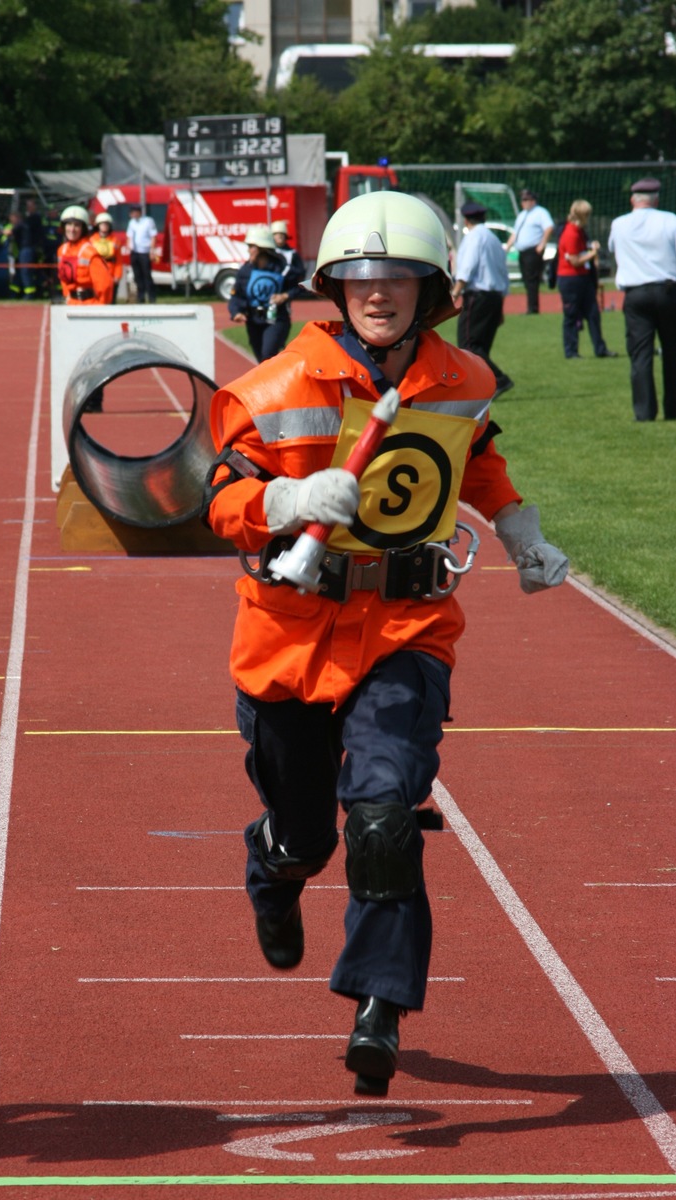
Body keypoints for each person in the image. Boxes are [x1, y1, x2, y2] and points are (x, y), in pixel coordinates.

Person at [202, 192, 569, 1097]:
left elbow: (475, 458)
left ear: (430, 289)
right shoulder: (279, 386)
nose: (378, 292)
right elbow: (216, 500)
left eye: (397, 277)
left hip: (409, 629)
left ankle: (379, 1007)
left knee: (382, 815)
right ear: (334, 286)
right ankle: (275, 861)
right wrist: (284, 504)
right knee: (306, 832)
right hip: (289, 638)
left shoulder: (464, 379)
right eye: (361, 277)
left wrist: (518, 530)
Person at [608, 177, 676, 421]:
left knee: (640, 355)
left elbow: (613, 249)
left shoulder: (619, 224)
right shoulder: (670, 220)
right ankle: (673, 409)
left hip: (635, 294)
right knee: (672, 352)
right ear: (656, 199)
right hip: (668, 291)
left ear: (632, 200)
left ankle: (645, 412)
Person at [451, 200, 513, 398]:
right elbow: (502, 273)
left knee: (468, 345)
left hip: (477, 297)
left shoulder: (473, 238)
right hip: (494, 297)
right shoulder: (493, 239)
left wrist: (455, 293)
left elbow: (467, 268)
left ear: (466, 219)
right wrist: (501, 306)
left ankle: (499, 380)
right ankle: (482, 387)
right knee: (481, 346)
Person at [555, 199, 617, 361]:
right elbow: (574, 260)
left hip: (582, 278)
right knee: (571, 316)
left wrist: (590, 247)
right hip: (570, 279)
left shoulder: (580, 232)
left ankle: (600, 349)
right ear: (582, 216)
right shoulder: (570, 233)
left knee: (593, 314)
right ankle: (571, 352)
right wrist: (593, 252)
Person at [228, 226, 300, 362]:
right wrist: (236, 312)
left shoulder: (283, 268)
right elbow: (237, 295)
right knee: (261, 360)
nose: (248, 250)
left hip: (276, 319)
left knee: (268, 355)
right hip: (253, 321)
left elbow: (299, 287)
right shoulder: (245, 271)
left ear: (262, 249)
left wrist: (285, 296)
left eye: (251, 246)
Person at [504, 188, 554, 315]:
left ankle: (533, 308)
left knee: (532, 280)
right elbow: (515, 233)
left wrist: (542, 244)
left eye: (526, 199)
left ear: (533, 200)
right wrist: (507, 247)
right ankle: (530, 306)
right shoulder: (522, 215)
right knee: (526, 279)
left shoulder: (540, 212)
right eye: (522, 200)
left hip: (533, 251)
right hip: (523, 252)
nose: (523, 202)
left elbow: (549, 227)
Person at [56, 205, 114, 306]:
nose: (72, 229)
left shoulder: (89, 252)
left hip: (90, 305)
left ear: (83, 228)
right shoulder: (62, 250)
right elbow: (63, 278)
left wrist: (100, 308)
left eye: (77, 225)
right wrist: (67, 296)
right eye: (69, 224)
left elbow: (105, 285)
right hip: (71, 303)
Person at [13, 198, 45, 298]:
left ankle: (30, 293)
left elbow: (17, 229)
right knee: (24, 271)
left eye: (30, 206)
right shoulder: (29, 220)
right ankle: (21, 293)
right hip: (26, 249)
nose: (28, 208)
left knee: (26, 271)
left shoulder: (32, 219)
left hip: (28, 249)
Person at [126, 203, 158, 303]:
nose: (133, 214)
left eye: (135, 212)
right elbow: (129, 236)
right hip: (135, 252)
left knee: (147, 275)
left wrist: (152, 251)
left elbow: (153, 236)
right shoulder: (132, 222)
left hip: (145, 252)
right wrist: (129, 247)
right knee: (137, 275)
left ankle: (151, 297)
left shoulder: (148, 221)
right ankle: (141, 296)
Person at [90, 212, 124, 302]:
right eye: (102, 224)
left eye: (106, 224)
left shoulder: (115, 241)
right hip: (96, 273)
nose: (104, 226)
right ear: (98, 225)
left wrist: (117, 275)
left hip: (111, 272)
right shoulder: (92, 240)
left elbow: (119, 260)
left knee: (111, 299)